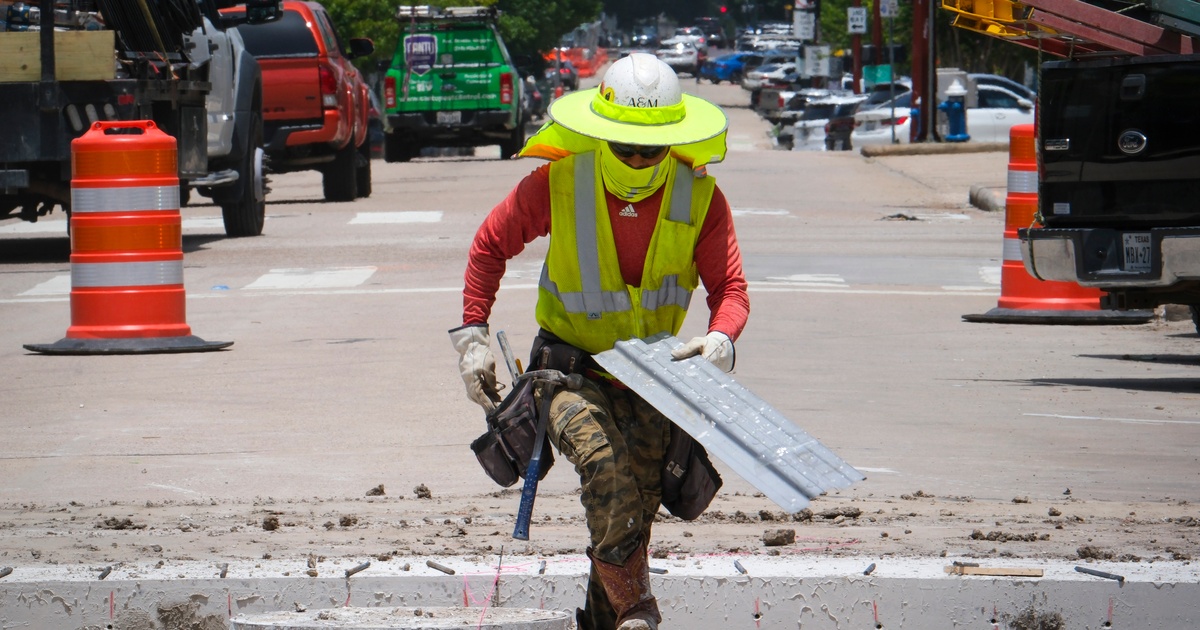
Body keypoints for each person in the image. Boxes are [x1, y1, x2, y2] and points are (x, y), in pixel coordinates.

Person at [449, 53, 750, 630]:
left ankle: (605, 620)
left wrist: (720, 340)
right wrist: (473, 337)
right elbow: (489, 246)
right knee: (603, 465)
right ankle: (638, 610)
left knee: (630, 518)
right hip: (568, 372)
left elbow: (730, 290)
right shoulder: (560, 184)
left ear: (672, 140)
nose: (637, 160)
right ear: (600, 131)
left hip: (653, 381)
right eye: (624, 147)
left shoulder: (700, 199)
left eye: (650, 150)